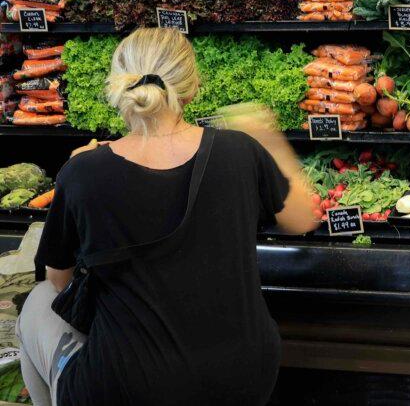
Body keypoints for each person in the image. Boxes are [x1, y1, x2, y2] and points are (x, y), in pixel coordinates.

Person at [17, 27, 319, 405]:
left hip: (131, 387)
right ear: (192, 89)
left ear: (120, 90)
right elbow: (303, 218)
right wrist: (269, 137)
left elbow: (59, 281)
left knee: (37, 301)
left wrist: (72, 180)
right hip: (245, 377)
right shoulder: (241, 151)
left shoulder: (83, 172)